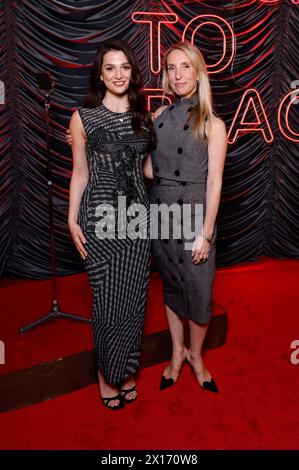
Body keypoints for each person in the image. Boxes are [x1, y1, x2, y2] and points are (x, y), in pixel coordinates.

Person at [68, 39, 154, 410]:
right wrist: (72, 219)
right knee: (107, 303)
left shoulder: (143, 116)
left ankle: (127, 368)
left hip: (137, 219)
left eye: (124, 67)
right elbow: (79, 172)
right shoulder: (82, 118)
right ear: (100, 75)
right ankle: (107, 374)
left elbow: (147, 170)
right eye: (110, 68)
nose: (118, 74)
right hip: (100, 220)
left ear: (132, 73)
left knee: (134, 301)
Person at [144, 41, 227, 393]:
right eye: (171, 68)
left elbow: (215, 180)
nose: (178, 75)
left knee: (198, 292)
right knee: (172, 289)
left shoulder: (213, 122)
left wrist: (206, 233)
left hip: (195, 216)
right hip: (162, 212)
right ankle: (176, 354)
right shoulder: (160, 117)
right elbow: (149, 171)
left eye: (185, 67)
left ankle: (196, 356)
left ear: (197, 71)